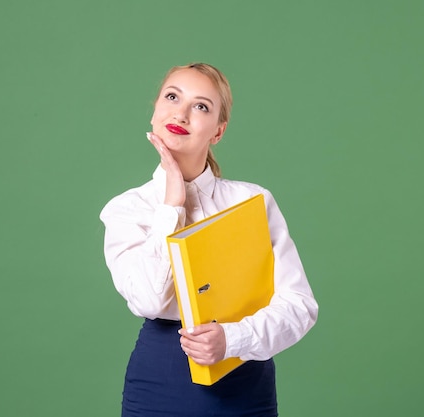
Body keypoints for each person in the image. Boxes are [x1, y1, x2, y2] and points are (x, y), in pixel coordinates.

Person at [100, 63, 318, 417]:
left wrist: (232, 340)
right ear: (155, 110)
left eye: (201, 106)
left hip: (245, 378)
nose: (182, 113)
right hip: (161, 381)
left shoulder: (252, 202)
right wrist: (172, 204)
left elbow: (300, 305)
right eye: (172, 97)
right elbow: (150, 301)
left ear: (218, 130)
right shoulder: (127, 209)